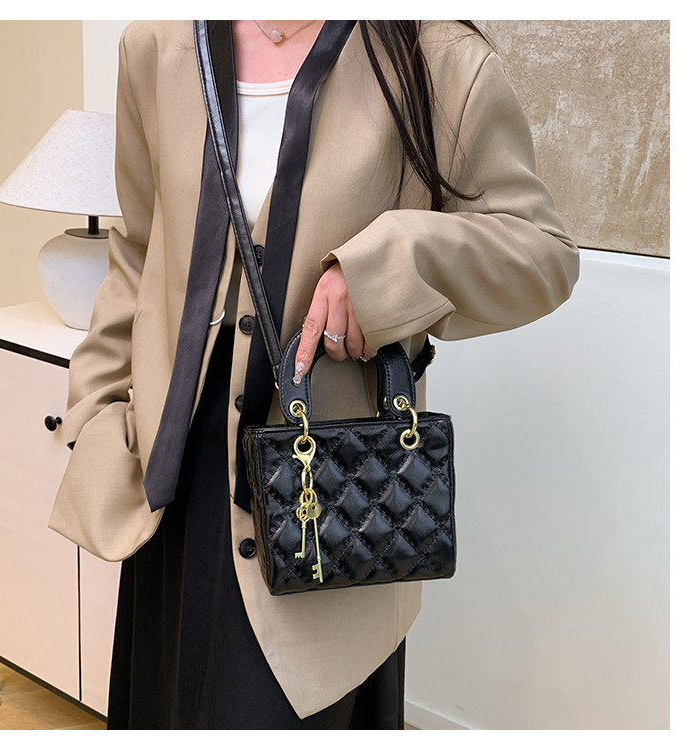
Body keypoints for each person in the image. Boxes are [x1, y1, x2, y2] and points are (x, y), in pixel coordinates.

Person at [57, 20, 579, 729]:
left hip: (326, 499)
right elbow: (140, 248)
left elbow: (541, 252)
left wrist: (389, 266)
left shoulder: (434, 55)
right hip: (173, 483)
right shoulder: (158, 46)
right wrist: (93, 406)